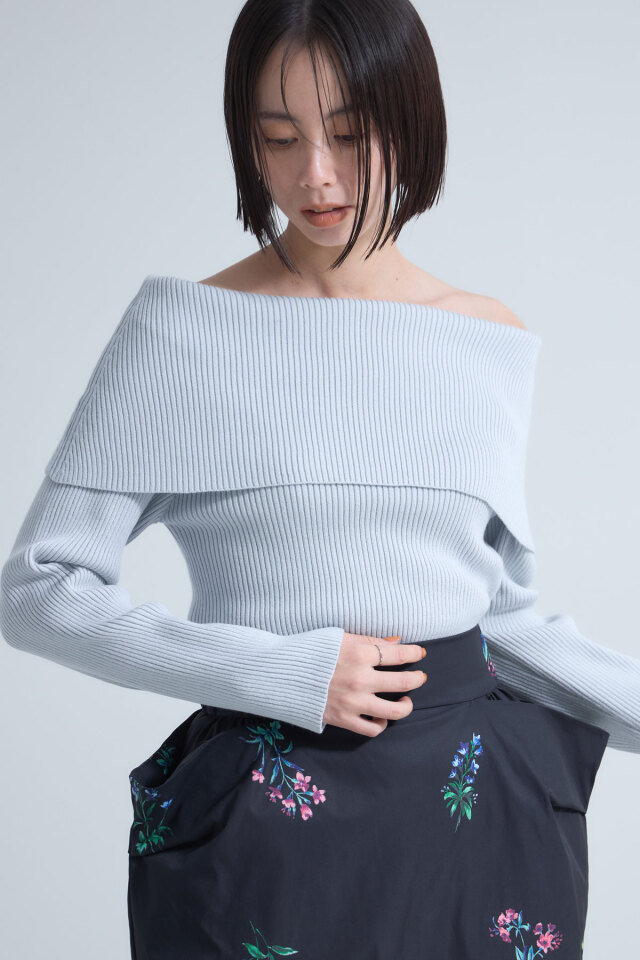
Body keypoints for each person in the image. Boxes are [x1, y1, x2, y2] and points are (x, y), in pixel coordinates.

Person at [1, 1, 636, 957]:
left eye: (349, 133)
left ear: (411, 120)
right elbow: (38, 590)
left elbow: (498, 623)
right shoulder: (182, 334)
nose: (316, 176)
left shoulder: (487, 340)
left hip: (472, 820)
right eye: (279, 138)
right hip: (268, 826)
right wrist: (279, 672)